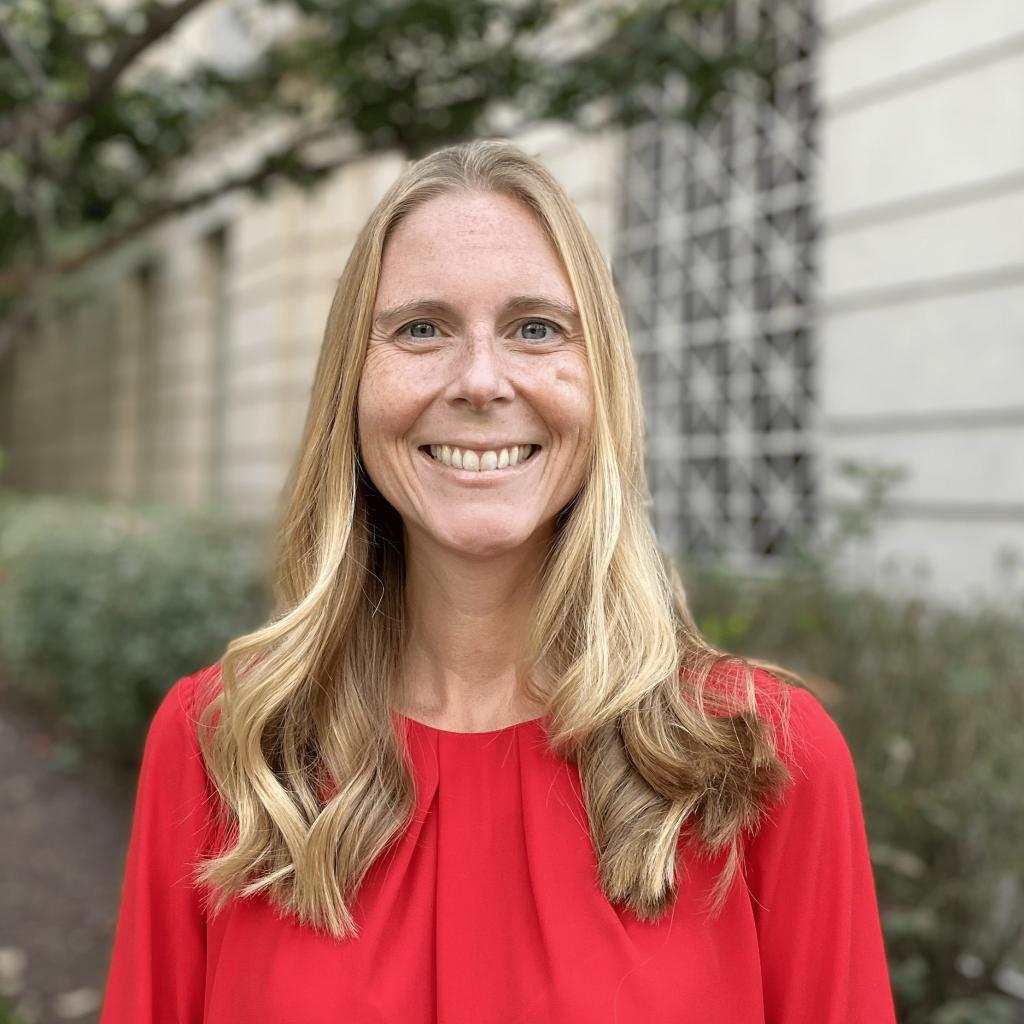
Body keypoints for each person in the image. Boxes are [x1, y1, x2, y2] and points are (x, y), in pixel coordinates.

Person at [99, 138, 897, 1023]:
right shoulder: (228, 746)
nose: (481, 380)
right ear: (350, 388)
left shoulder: (764, 760)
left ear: (602, 384)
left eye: (536, 328)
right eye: (421, 328)